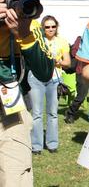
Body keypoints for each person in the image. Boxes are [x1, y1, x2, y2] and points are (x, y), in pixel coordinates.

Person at [0, 0, 55, 186]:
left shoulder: (29, 28)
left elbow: (45, 72)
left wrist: (23, 36)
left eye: (17, 0)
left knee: (14, 177)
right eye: (7, 2)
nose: (14, 9)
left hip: (12, 114)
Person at [28, 15, 70, 155]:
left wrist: (54, 61)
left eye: (53, 26)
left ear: (56, 27)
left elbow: (67, 63)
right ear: (42, 28)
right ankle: (36, 146)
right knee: (37, 114)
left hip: (54, 81)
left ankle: (52, 144)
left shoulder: (62, 41)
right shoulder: (36, 41)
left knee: (52, 113)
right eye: (47, 27)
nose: (50, 29)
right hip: (36, 79)